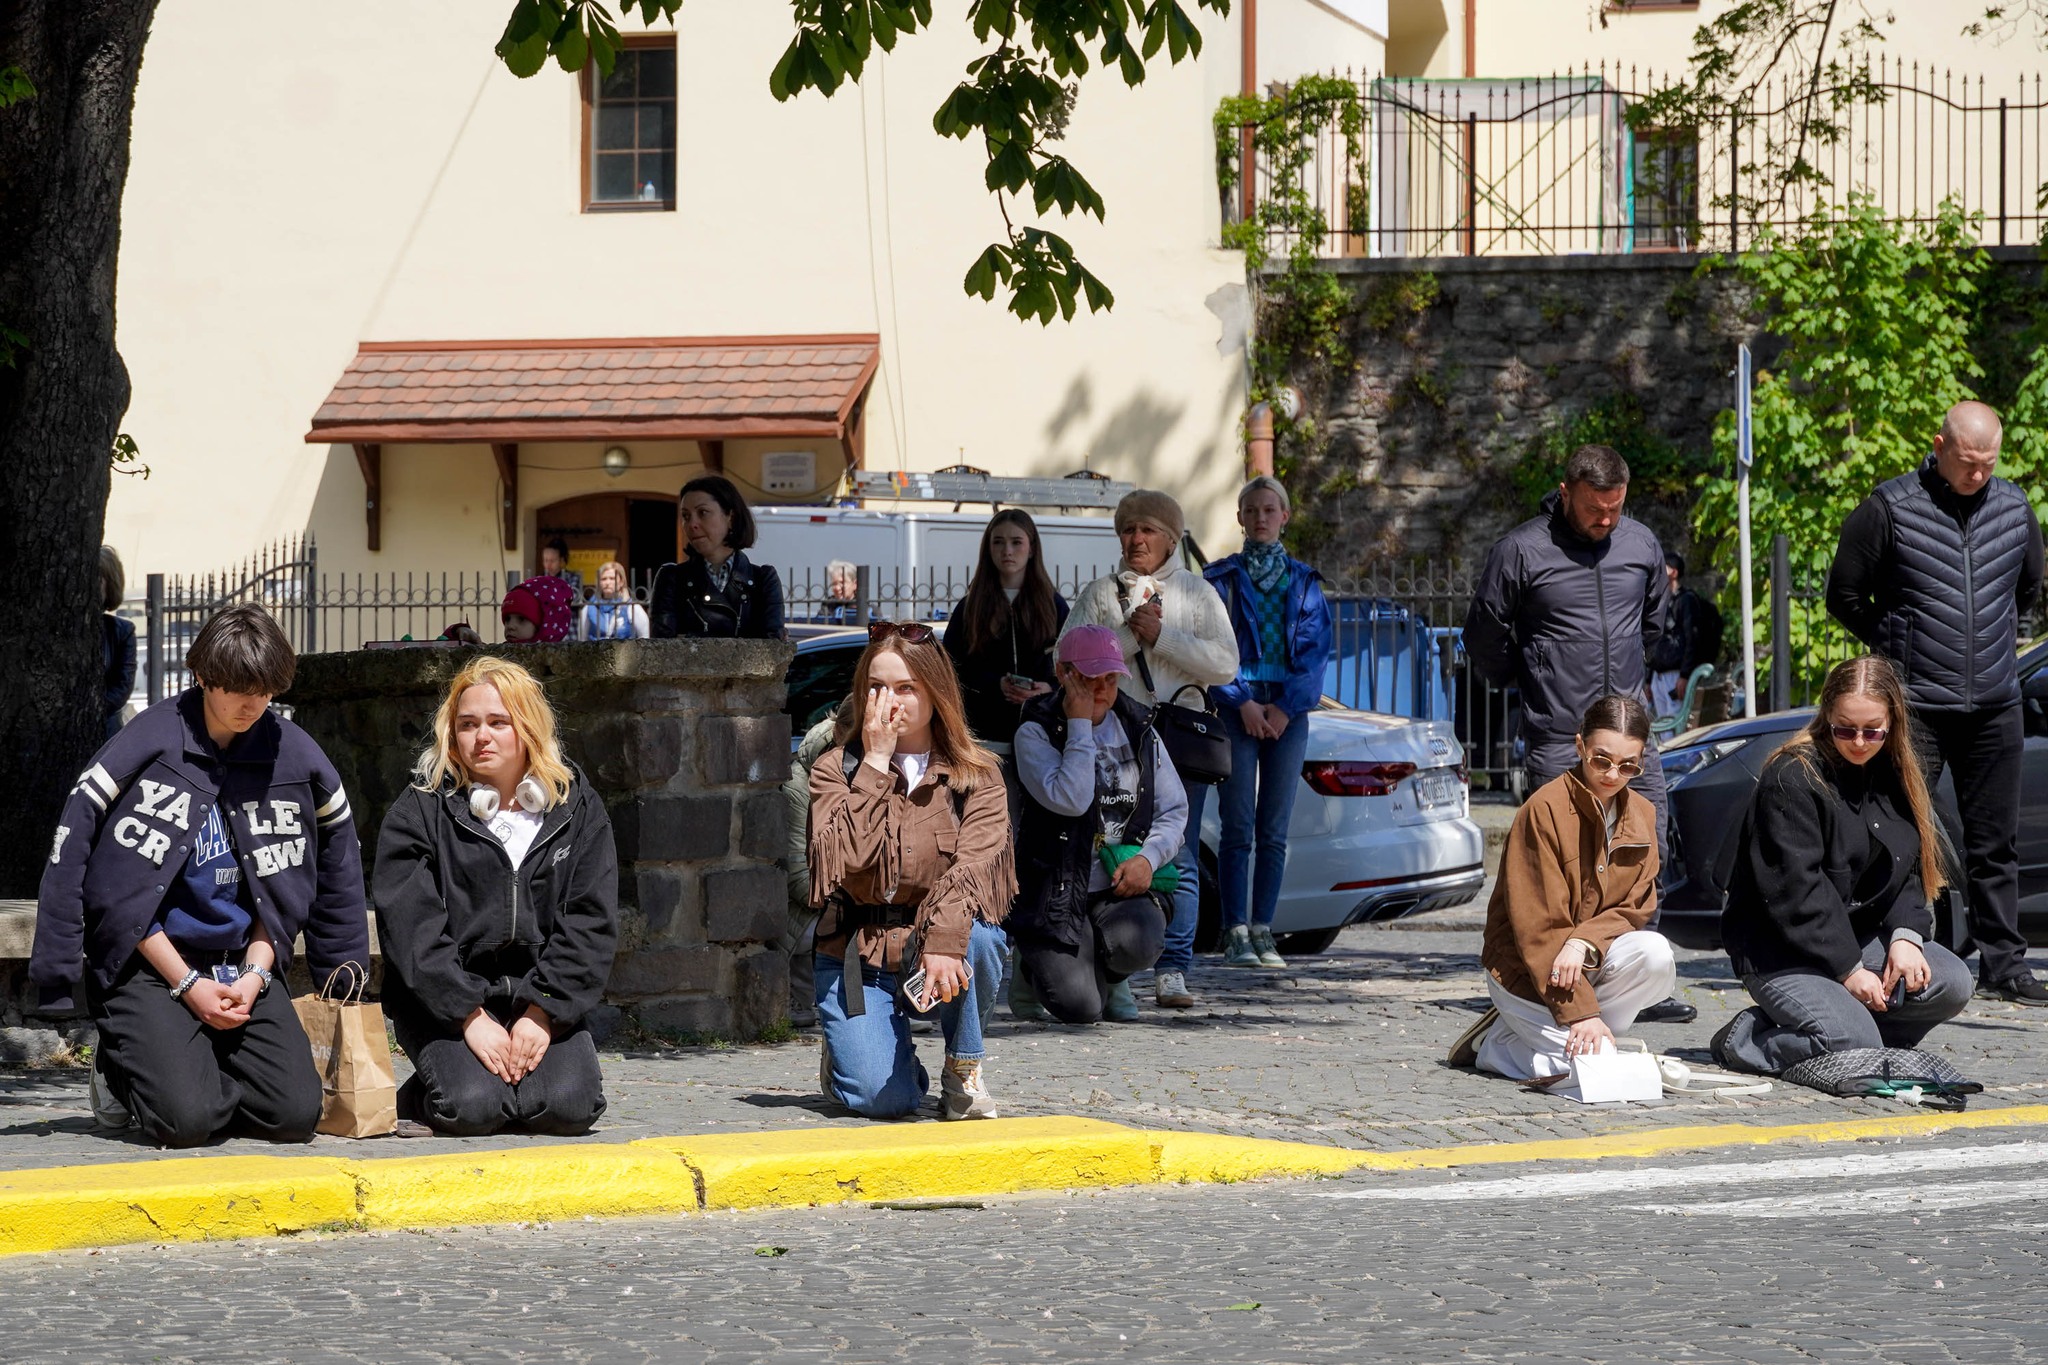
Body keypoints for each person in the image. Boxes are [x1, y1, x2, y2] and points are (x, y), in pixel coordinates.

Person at [32, 604, 369, 1147]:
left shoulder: (296, 755)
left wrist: (261, 976)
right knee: (186, 1123)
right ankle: (122, 1069)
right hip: (148, 963)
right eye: (237, 688)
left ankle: (187, 1066)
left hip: (245, 963)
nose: (252, 704)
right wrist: (185, 984)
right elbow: (96, 868)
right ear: (202, 676)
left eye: (265, 691)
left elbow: (313, 876)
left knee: (294, 1116)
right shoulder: (148, 742)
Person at [1825, 400, 2048, 1006]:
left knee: (1994, 841)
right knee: (1901, 831)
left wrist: (2003, 644)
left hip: (1995, 703)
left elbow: (2029, 589)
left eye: (1988, 463)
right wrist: (1897, 646)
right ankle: (1889, 947)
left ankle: (2004, 964)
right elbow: (1843, 592)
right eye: (1967, 462)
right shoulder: (1890, 507)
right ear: (1939, 445)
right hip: (1916, 705)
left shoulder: (2014, 507)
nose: (1978, 474)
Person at [1463, 443, 1691, 1024]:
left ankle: (1636, 985)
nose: (1606, 519)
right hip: (1558, 734)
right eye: (1596, 508)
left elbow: (1655, 624)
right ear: (1566, 493)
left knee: (1643, 851)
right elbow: (1484, 635)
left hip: (1633, 734)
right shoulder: (1521, 550)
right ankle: (1557, 982)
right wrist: (1531, 678)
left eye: (1616, 507)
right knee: (1560, 866)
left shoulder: (1640, 544)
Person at [373, 657, 618, 1136]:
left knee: (570, 1107)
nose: (481, 736)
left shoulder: (577, 808)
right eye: (467, 725)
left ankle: (507, 1078)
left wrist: (543, 1012)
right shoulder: (419, 811)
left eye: (497, 722)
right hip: (447, 1003)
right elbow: (412, 931)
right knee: (471, 1108)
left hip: (540, 995)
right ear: (452, 734)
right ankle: (425, 1092)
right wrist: (469, 1016)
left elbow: (590, 920)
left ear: (527, 727)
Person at [1712, 656, 1975, 1074]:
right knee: (1850, 1040)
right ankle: (1745, 1039)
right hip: (1779, 948)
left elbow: (1904, 869)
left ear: (1892, 723)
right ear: (1826, 716)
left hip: (1853, 933)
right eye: (1844, 729)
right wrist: (1850, 970)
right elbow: (1796, 893)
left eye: (1872, 730)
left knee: (1952, 981)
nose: (1858, 741)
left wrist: (1906, 937)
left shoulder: (1893, 770)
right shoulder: (1792, 777)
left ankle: (1862, 1035)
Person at [808, 622, 1013, 1120]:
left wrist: (943, 943)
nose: (889, 701)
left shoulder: (977, 775)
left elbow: (975, 869)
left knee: (983, 938)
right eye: (876, 687)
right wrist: (875, 762)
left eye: (905, 688)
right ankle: (853, 1056)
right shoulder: (835, 767)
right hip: (857, 950)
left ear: (935, 692)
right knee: (887, 1101)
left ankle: (962, 1066)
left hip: (934, 944)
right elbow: (848, 862)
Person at [1062, 489, 1236, 1012]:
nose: (1137, 539)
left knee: (1177, 853)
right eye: (1129, 530)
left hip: (1180, 740)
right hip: (1115, 742)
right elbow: (1066, 655)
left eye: (1149, 530)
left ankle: (1174, 968)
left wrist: (1164, 637)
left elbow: (1226, 664)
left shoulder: (1198, 594)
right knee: (1104, 843)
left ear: (1171, 539)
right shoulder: (1100, 593)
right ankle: (1113, 962)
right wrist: (1133, 639)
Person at [1448, 695, 1677, 1081]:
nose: (1612, 774)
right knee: (1592, 1069)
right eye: (1600, 760)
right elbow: (1539, 931)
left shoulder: (1643, 814)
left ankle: (1548, 1032)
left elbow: (1637, 906)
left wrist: (1583, 941)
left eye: (1628, 766)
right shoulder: (1544, 810)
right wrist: (1582, 1013)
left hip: (1585, 964)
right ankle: (1497, 1048)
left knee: (1656, 954)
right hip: (1524, 968)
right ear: (1579, 746)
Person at [1010, 627, 1184, 1024]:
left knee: (1142, 941)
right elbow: (1071, 800)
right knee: (1082, 1009)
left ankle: (1108, 971)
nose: (1101, 689)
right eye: (1088, 678)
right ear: (1062, 673)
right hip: (1054, 889)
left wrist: (1148, 858)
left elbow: (1174, 809)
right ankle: (1029, 966)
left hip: (1116, 885)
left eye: (1110, 678)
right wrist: (1079, 725)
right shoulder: (1035, 729)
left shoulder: (1139, 727)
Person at [1202, 476, 1334, 970]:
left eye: (1269, 510)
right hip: (1237, 711)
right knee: (1237, 825)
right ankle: (1235, 930)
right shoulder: (1220, 580)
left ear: (1285, 516)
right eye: (1251, 510)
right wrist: (1242, 703)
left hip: (1288, 714)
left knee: (1273, 828)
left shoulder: (1304, 582)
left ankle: (1264, 930)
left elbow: (1316, 653)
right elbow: (1210, 650)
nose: (1261, 518)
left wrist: (1283, 707)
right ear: (1240, 518)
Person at [942, 509, 1069, 764]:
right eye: (998, 542)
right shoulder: (970, 607)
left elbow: (1073, 668)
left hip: (1043, 738)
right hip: (983, 742)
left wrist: (1048, 690)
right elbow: (948, 669)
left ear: (1032, 548)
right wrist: (994, 685)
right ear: (988, 549)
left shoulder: (1054, 606)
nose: (1007, 551)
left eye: (1016, 542)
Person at [650, 475, 786, 640]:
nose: (692, 524)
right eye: (686, 516)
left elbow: (771, 653)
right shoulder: (672, 579)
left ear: (730, 517)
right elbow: (662, 651)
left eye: (703, 513)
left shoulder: (763, 580)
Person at [1646, 553, 1722, 721]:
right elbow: (1655, 640)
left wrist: (1685, 675)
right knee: (1660, 724)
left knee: (1675, 721)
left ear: (1674, 572)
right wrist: (1649, 679)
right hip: (1659, 675)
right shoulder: (1660, 602)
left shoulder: (1686, 600)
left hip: (1675, 675)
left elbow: (1692, 638)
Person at [99, 545, 137, 739]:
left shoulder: (122, 631)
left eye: (98, 579)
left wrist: (93, 711)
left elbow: (122, 687)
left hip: (106, 729)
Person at [577, 560, 648, 641]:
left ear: (621, 582)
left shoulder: (632, 607)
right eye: (603, 579)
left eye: (612, 578)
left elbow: (645, 637)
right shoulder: (589, 608)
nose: (607, 582)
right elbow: (582, 638)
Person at [502, 575, 576, 644]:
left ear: (542, 624)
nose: (510, 626)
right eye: (507, 619)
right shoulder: (501, 654)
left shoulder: (555, 657)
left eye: (521, 619)